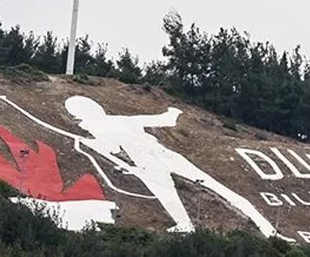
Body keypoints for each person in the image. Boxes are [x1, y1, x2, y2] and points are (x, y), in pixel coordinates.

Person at [64, 95, 277, 236]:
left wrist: (90, 143)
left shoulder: (101, 127)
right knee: (210, 188)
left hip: (148, 160)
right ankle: (266, 228)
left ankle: (186, 225)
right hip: (158, 155)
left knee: (172, 194)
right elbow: (166, 121)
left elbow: (112, 148)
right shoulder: (120, 121)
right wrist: (172, 112)